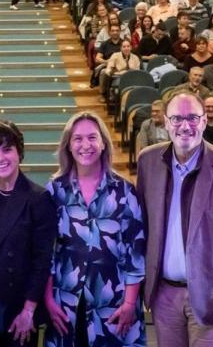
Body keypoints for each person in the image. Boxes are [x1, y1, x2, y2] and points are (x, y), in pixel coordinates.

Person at [135, 93, 213, 346]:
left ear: (204, 121)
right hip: (164, 295)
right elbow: (142, 227)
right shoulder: (148, 162)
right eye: (177, 118)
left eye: (192, 117)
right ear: (166, 123)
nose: (185, 125)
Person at [43, 112, 144, 347]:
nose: (85, 145)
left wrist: (130, 303)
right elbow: (47, 251)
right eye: (77, 139)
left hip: (115, 303)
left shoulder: (125, 191)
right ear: (68, 145)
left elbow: (136, 251)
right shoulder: (54, 191)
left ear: (103, 144)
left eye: (92, 137)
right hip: (65, 302)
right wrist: (48, 299)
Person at [0, 121, 57, 347]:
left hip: (17, 309)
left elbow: (41, 261)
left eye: (7, 149)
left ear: (20, 152)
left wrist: (29, 310)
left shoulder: (38, 198)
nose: (0, 158)